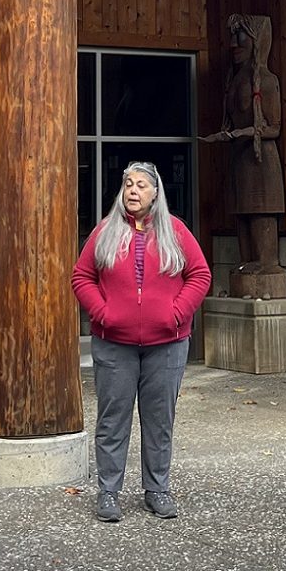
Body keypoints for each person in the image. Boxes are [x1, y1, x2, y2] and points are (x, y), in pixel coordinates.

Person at [72, 161, 211, 523]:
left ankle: (157, 489)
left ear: (155, 193)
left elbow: (200, 275)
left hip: (167, 344)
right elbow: (82, 276)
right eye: (128, 185)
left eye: (141, 186)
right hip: (113, 344)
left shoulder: (176, 231)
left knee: (159, 420)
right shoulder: (104, 231)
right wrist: (102, 313)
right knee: (112, 420)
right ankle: (108, 492)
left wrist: (176, 314)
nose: (133, 191)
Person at [200, 14, 286, 276]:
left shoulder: (266, 81)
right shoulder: (234, 81)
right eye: (232, 36)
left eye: (242, 37)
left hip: (260, 159)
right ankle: (247, 259)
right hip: (239, 156)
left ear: (257, 41)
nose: (234, 44)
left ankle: (266, 262)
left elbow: (274, 127)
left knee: (260, 210)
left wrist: (245, 133)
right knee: (241, 211)